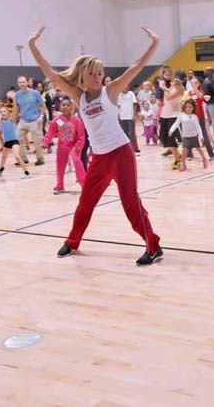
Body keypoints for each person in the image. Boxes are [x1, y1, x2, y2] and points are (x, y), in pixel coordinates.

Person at [28, 25, 163, 265]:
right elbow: (51, 73)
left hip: (121, 153)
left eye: (100, 73)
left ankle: (152, 246)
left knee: (130, 203)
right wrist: (32, 46)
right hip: (98, 158)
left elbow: (136, 68)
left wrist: (154, 44)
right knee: (85, 202)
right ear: (83, 75)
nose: (97, 77)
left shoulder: (110, 91)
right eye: (92, 73)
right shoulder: (77, 95)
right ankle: (72, 241)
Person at [41, 98, 86, 194]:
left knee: (77, 161)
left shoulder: (76, 120)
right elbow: (50, 132)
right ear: (60, 108)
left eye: (67, 105)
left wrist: (79, 145)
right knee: (60, 166)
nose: (65, 106)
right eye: (63, 105)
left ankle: (84, 185)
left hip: (74, 146)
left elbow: (81, 135)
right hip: (62, 147)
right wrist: (45, 142)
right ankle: (60, 185)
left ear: (71, 108)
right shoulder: (56, 121)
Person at [0, 106, 31, 179]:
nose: (3, 113)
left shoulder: (11, 119)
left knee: (17, 156)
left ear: (8, 112)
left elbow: (15, 109)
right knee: (4, 157)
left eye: (4, 111)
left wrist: (14, 99)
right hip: (7, 143)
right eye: (1, 112)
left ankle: (27, 172)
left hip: (14, 141)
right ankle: (1, 168)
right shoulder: (0, 121)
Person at [12, 75, 46, 165]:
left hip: (35, 121)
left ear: (27, 82)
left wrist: (41, 116)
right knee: (17, 138)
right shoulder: (17, 95)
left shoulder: (35, 93)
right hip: (23, 121)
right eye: (20, 82)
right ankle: (23, 159)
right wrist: (14, 121)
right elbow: (16, 108)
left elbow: (43, 105)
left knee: (37, 141)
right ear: (17, 84)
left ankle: (40, 159)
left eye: (23, 82)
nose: (22, 84)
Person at [169, 99, 208, 170]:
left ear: (193, 108)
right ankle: (183, 164)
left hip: (194, 137)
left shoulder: (194, 117)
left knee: (198, 149)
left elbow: (198, 127)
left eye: (190, 107)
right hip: (185, 137)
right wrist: (171, 130)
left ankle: (204, 159)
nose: (188, 108)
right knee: (184, 150)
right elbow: (176, 123)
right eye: (187, 107)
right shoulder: (181, 115)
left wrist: (201, 136)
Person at [158, 69, 186, 169]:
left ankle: (176, 159)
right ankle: (178, 155)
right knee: (164, 137)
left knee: (171, 136)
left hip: (174, 114)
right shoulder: (171, 84)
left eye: (179, 80)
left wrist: (165, 88)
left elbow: (169, 97)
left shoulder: (181, 88)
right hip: (164, 112)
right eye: (176, 79)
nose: (177, 81)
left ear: (182, 80)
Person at [118, 85, 139, 154]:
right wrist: (118, 115)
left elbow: (135, 104)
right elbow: (118, 106)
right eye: (123, 86)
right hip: (122, 117)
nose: (125, 87)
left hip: (130, 116)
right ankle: (127, 148)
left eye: (126, 86)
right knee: (124, 133)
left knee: (132, 133)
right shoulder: (119, 95)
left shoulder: (131, 94)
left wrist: (134, 114)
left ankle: (135, 148)